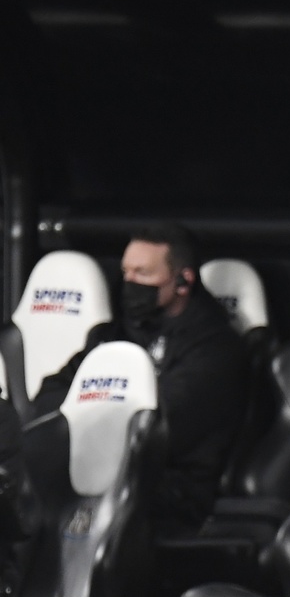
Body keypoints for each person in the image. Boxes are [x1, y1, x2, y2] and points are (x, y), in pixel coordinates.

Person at [40, 223, 249, 537]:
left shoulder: (216, 350)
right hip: (93, 473)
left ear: (183, 281)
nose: (130, 282)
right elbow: (50, 394)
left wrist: (85, 422)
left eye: (143, 274)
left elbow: (159, 427)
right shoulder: (112, 335)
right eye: (126, 272)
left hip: (170, 491)